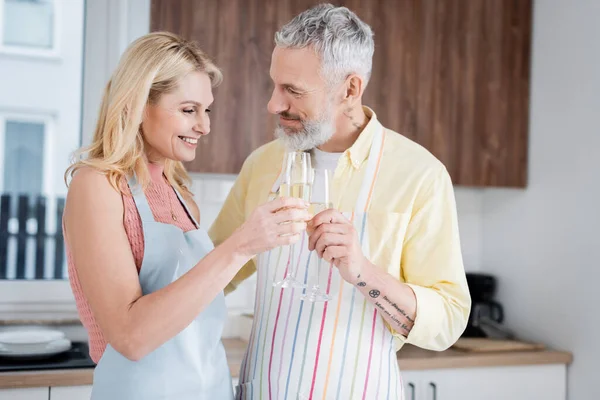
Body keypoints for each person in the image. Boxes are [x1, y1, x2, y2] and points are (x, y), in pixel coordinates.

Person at [209, 4, 471, 399]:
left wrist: (362, 269)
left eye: (292, 91)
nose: (273, 104)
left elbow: (448, 318)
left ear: (350, 89)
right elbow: (213, 274)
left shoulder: (419, 175)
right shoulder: (264, 164)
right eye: (275, 85)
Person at [62, 32, 310, 400]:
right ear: (139, 104)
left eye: (206, 110)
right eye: (188, 110)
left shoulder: (182, 197)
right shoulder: (97, 187)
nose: (204, 126)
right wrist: (240, 246)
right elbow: (131, 337)